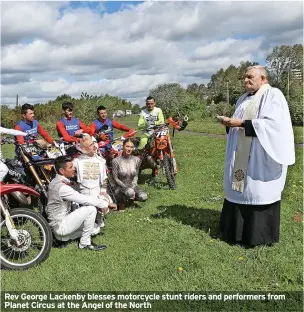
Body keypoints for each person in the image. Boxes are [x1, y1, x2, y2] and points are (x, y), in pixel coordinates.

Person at [218, 65, 295, 248]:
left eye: (250, 77)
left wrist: (241, 123)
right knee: (240, 190)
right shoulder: (243, 99)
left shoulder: (273, 95)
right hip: (241, 155)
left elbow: (275, 126)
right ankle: (235, 234)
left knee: (257, 191)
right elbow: (240, 122)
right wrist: (229, 123)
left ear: (263, 78)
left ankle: (258, 236)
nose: (245, 80)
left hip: (260, 155)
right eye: (245, 77)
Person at [46, 155, 116, 250]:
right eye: (70, 167)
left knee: (95, 228)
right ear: (62, 171)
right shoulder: (62, 187)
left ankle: (63, 239)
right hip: (59, 227)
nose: (74, 169)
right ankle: (84, 244)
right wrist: (106, 204)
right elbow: (85, 199)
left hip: (57, 225)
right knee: (91, 209)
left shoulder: (54, 181)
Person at [73, 135, 116, 229]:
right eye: (90, 145)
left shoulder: (101, 161)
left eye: (93, 144)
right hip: (83, 190)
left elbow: (104, 178)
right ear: (84, 149)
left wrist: (103, 190)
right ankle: (88, 223)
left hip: (96, 189)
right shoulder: (77, 161)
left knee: (102, 204)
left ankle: (99, 219)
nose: (94, 146)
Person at [111, 139, 148, 212]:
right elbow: (115, 178)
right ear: (123, 146)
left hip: (132, 185)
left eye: (131, 147)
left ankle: (131, 200)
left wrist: (134, 185)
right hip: (119, 186)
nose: (129, 149)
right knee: (130, 191)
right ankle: (121, 203)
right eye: (127, 146)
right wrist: (126, 187)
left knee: (144, 196)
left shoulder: (137, 160)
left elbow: (136, 174)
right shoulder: (116, 161)